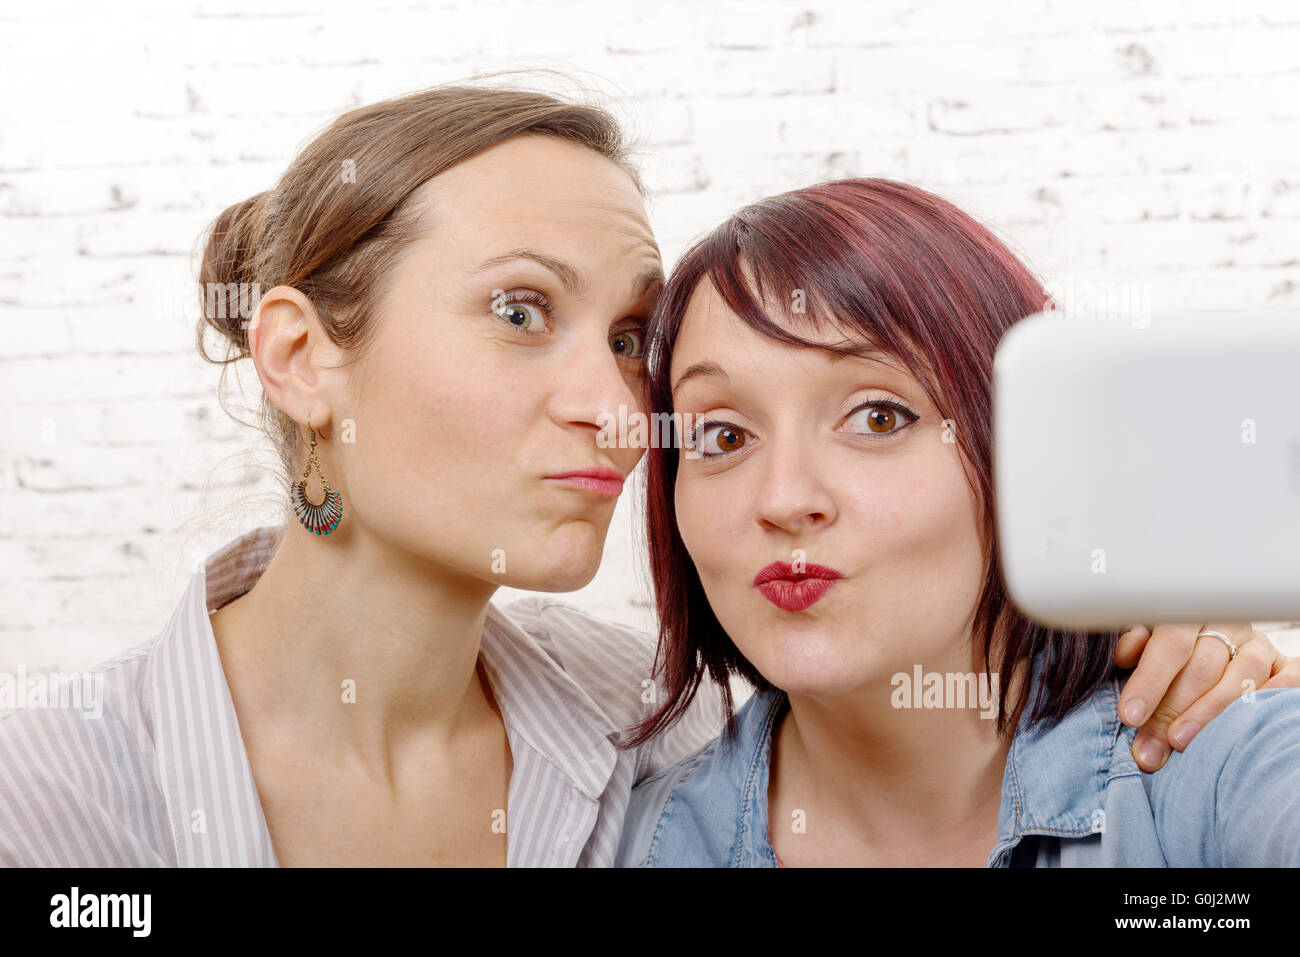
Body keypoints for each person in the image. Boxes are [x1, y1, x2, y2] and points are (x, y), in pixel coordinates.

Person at [0, 85, 1284, 868]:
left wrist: (1181, 642)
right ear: (299, 356)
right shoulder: (49, 795)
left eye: (628, 339)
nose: (621, 413)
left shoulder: (646, 725)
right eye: (519, 312)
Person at [614, 177, 1300, 867]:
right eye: (724, 436)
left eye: (878, 417)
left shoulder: (1227, 770)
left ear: (1022, 450)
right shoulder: (631, 846)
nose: (785, 498)